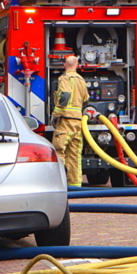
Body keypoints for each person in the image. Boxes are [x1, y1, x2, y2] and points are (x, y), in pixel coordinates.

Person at [52, 54, 89, 187]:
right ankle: (75, 185)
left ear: (65, 65)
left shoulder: (65, 78)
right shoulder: (81, 80)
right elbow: (86, 100)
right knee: (74, 154)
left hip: (66, 120)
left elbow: (65, 95)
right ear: (77, 66)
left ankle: (58, 184)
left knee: (58, 150)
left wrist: (56, 113)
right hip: (77, 121)